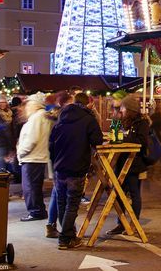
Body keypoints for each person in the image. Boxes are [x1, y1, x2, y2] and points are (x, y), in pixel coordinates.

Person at [49, 92, 103, 250]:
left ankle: (67, 233)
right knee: (72, 204)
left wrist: (56, 160)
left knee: (62, 202)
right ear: (87, 104)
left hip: (60, 167)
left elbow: (51, 143)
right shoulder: (88, 119)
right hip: (77, 167)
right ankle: (65, 239)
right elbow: (97, 140)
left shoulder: (61, 118)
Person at [106, 95, 150, 236]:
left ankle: (134, 223)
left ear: (130, 109)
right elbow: (114, 135)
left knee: (134, 193)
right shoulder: (121, 120)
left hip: (134, 163)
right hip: (121, 162)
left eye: (123, 107)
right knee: (118, 193)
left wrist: (123, 138)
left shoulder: (141, 123)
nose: (121, 110)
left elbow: (142, 141)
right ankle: (121, 223)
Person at [17, 92, 55, 222]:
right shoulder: (41, 116)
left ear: (34, 104)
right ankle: (38, 210)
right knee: (34, 186)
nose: (26, 107)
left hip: (32, 157)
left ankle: (36, 211)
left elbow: (32, 139)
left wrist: (21, 152)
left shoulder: (37, 117)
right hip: (36, 156)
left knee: (30, 187)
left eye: (28, 104)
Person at [45, 91, 73, 239]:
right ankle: (58, 227)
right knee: (59, 194)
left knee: (58, 193)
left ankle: (53, 225)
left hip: (56, 157)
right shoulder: (61, 116)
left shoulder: (54, 115)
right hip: (61, 158)